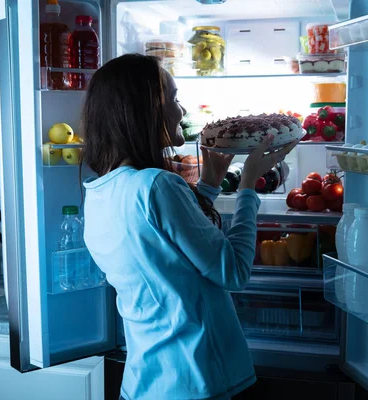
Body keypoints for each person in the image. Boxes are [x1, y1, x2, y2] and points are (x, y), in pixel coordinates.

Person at [81, 53, 297, 400]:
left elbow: (171, 252)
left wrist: (209, 184)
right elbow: (234, 272)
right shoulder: (157, 186)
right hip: (194, 380)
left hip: (145, 382)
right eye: (175, 98)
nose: (181, 110)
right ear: (148, 108)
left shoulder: (101, 191)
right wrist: (248, 187)